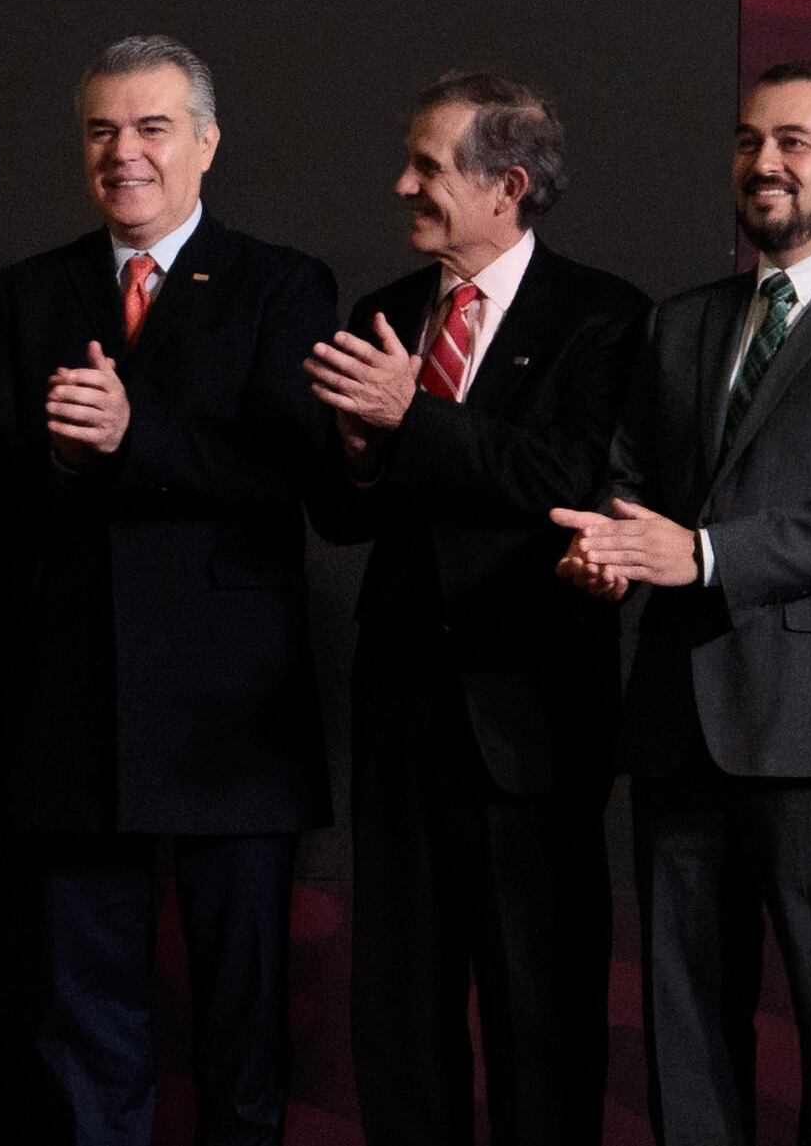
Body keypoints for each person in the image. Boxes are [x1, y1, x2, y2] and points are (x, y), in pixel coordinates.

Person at [556, 62, 811, 1146]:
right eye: (748, 141)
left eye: (793, 141)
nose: (764, 163)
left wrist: (696, 554)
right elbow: (630, 471)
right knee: (686, 1021)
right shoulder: (683, 320)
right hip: (682, 713)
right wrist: (608, 542)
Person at [0, 34, 335, 1146]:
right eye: (103, 130)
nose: (126, 153)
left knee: (241, 1021)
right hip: (73, 706)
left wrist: (131, 436)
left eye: (153, 127)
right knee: (86, 1023)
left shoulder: (281, 282)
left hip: (231, 714)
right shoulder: (32, 290)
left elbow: (291, 470)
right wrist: (62, 458)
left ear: (206, 144)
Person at [301, 73, 645, 1145]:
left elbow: (569, 473)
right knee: (399, 1020)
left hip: (530, 728)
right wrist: (358, 455)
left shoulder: (602, 316)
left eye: (428, 167)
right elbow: (345, 516)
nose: (402, 183)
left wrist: (415, 419)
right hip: (404, 722)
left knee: (540, 1020)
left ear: (510, 184)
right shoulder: (388, 313)